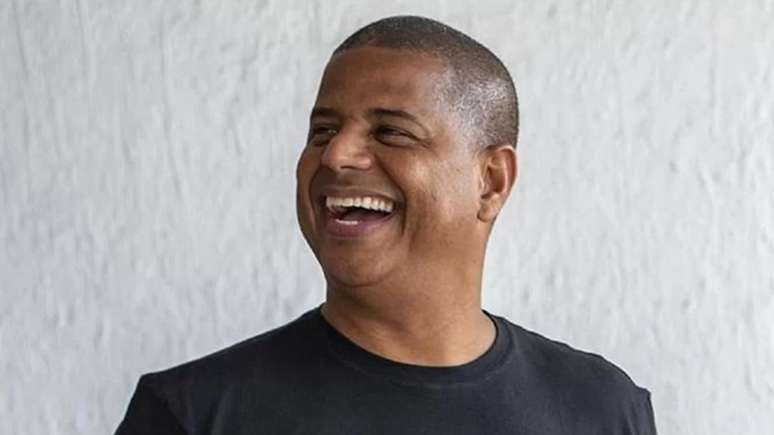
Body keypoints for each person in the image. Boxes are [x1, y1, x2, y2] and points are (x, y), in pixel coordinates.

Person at [115, 15, 657, 435]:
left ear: (490, 182)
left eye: (391, 132)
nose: (336, 156)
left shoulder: (602, 408)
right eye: (323, 131)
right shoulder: (192, 414)